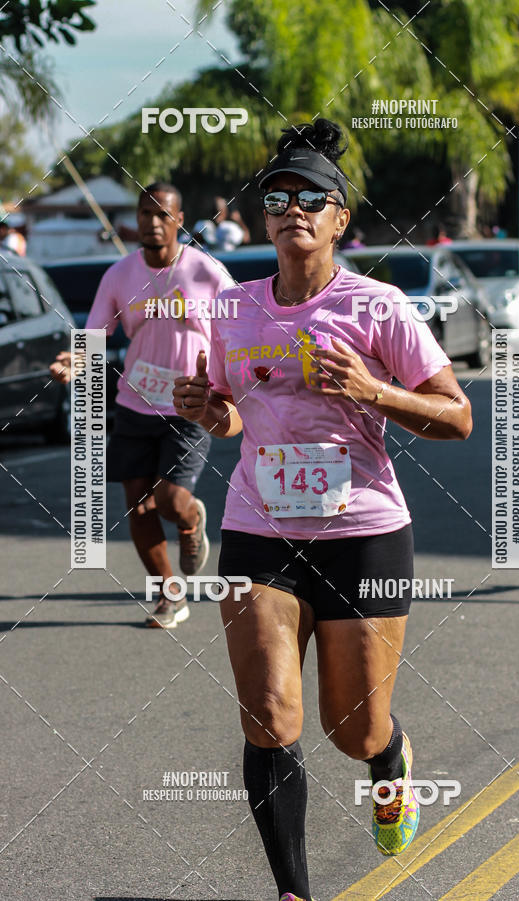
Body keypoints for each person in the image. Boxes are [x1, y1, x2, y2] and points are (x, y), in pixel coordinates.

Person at [174, 119, 472, 900]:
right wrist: (212, 413)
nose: (294, 207)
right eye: (279, 195)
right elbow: (237, 415)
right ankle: (293, 891)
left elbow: (458, 415)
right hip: (258, 524)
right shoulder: (233, 309)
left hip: (364, 532)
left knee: (352, 727)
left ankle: (390, 759)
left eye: (315, 197)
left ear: (341, 218)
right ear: (265, 215)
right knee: (269, 711)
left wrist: (373, 390)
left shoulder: (377, 308)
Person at [50, 182, 234, 629]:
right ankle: (170, 596)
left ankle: (190, 521)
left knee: (170, 501)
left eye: (162, 215)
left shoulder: (206, 271)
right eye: (145, 214)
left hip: (189, 405)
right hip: (135, 402)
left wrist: (240, 379)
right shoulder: (118, 276)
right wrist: (74, 361)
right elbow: (95, 336)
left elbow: (240, 320)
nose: (152, 223)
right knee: (138, 503)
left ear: (179, 221)